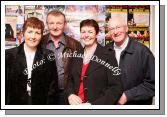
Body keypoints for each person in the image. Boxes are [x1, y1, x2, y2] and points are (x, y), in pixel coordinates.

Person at [67, 19, 123, 105]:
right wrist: (70, 95)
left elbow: (116, 88)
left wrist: (94, 105)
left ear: (96, 34)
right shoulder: (76, 54)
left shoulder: (108, 55)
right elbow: (70, 81)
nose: (86, 35)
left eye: (90, 32)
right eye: (83, 32)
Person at [5, 17, 58, 105]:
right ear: (23, 33)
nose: (33, 37)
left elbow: (52, 87)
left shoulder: (48, 55)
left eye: (37, 33)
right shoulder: (8, 55)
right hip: (15, 103)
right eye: (30, 32)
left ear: (41, 35)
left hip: (40, 103)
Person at [105, 16, 155, 105]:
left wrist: (127, 96)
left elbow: (154, 84)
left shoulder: (143, 52)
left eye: (118, 27)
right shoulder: (105, 51)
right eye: (112, 29)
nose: (115, 32)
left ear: (126, 28)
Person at [41, 10, 82, 105]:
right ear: (47, 24)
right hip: (45, 94)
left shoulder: (75, 45)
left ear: (65, 24)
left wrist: (72, 93)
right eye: (51, 23)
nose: (55, 27)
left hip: (67, 95)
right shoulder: (40, 42)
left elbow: (80, 73)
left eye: (59, 23)